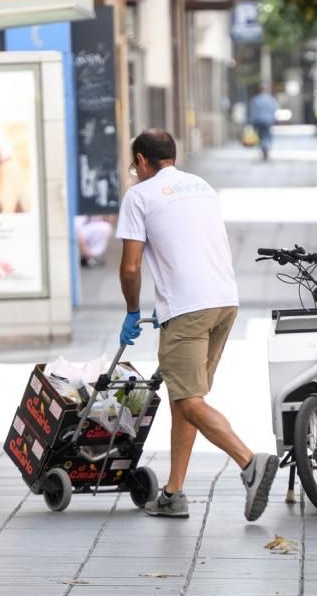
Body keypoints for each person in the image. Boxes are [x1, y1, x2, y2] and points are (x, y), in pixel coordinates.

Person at [116, 129, 278, 521]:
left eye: (133, 165)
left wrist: (132, 311)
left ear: (141, 161)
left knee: (189, 400)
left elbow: (131, 265)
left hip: (187, 309)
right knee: (184, 399)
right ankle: (173, 493)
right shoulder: (201, 186)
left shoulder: (139, 196)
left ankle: (248, 463)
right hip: (224, 301)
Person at [248, 85, 278, 160]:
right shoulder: (271, 99)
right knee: (267, 135)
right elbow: (274, 110)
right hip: (268, 121)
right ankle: (266, 149)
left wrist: (251, 121)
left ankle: (263, 149)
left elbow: (252, 111)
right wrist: (273, 119)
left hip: (258, 120)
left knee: (260, 136)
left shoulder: (255, 99)